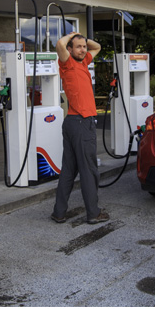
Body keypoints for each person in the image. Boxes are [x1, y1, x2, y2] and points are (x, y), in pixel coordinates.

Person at [51, 31, 107, 224]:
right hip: (82, 123)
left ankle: (59, 212)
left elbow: (97, 47)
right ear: (70, 49)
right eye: (78, 47)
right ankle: (93, 213)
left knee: (68, 170)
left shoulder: (83, 62)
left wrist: (82, 38)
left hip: (74, 122)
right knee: (89, 170)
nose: (83, 50)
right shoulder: (67, 63)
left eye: (84, 47)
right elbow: (59, 44)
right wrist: (72, 34)